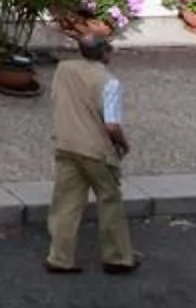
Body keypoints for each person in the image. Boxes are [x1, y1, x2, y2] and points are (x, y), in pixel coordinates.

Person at [45, 26, 137, 276]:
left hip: (66, 142)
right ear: (105, 53)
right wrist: (123, 143)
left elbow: (56, 98)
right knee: (109, 199)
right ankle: (117, 256)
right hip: (95, 151)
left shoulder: (64, 70)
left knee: (66, 202)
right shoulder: (109, 82)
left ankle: (60, 257)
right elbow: (111, 124)